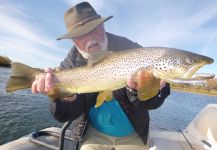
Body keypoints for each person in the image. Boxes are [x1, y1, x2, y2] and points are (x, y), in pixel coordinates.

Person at [31, 2, 170, 150]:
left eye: (94, 28)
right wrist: (66, 98)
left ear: (103, 25)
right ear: (72, 40)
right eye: (80, 35)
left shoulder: (130, 48)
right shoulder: (71, 62)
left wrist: (139, 91)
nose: (90, 38)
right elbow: (62, 116)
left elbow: (153, 103)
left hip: (133, 134)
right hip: (93, 134)